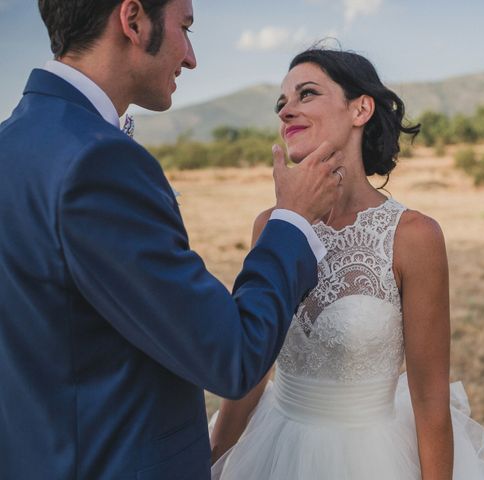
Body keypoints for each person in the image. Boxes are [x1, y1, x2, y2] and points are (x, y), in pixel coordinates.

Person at [0, 1, 343, 478]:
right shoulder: (97, 162)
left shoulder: (13, 143)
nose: (191, 57)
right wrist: (292, 220)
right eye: (185, 27)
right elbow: (231, 355)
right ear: (134, 20)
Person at [208, 48, 484, 480]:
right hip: (271, 450)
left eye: (306, 94)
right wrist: (214, 452)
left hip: (373, 458)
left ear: (361, 109)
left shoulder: (414, 236)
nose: (286, 111)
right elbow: (253, 366)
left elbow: (428, 399)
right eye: (281, 103)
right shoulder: (271, 226)